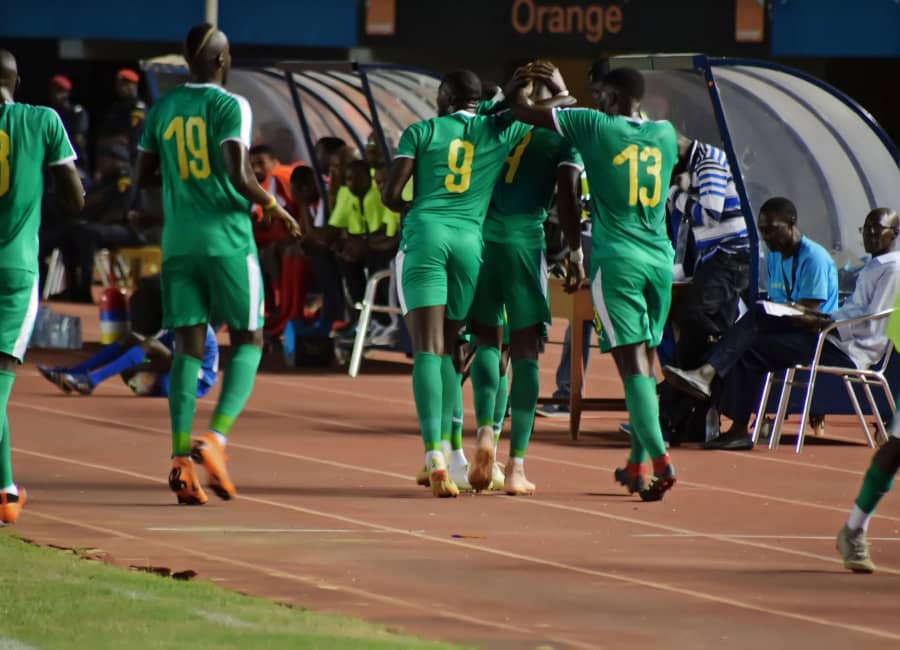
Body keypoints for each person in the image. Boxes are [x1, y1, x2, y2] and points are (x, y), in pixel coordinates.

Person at [135, 23, 300, 506]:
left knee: (188, 347)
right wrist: (273, 207)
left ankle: (179, 459)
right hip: (228, 239)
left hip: (179, 241)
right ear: (222, 61)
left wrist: (178, 189)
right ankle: (217, 439)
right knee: (249, 339)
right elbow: (236, 169)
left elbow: (142, 173)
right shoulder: (232, 106)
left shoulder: (163, 107)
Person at [510, 64, 679, 501]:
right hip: (659, 260)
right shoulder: (664, 134)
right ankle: (638, 464)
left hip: (617, 261)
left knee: (632, 368)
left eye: (601, 93)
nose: (596, 99)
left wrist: (556, 92)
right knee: (646, 357)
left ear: (611, 96)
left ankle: (660, 458)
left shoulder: (593, 124)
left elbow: (522, 110)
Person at [381, 69, 541, 498]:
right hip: (471, 243)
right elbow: (524, 110)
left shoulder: (421, 131)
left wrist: (419, 206)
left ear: (445, 96)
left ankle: (436, 454)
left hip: (426, 237)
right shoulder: (498, 131)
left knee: (429, 351)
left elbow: (391, 195)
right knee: (456, 346)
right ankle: (462, 451)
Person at [466, 66, 584, 494]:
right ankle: (515, 467)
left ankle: (483, 434)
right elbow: (568, 196)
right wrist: (574, 251)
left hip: (482, 241)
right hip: (524, 244)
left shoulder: (495, 121)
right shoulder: (563, 134)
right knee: (526, 353)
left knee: (485, 342)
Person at [663, 197, 839, 450]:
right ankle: (715, 427)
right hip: (786, 332)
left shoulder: (814, 258)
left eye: (771, 229)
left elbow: (808, 314)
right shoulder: (777, 256)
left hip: (814, 337)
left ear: (791, 223)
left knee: (750, 328)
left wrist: (774, 311)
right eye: (762, 230)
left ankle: (706, 381)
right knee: (730, 348)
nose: (766, 237)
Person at [0, 49, 85, 524]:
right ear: (18, 79)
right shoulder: (43, 121)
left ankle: (6, 491)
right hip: (15, 268)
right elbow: (74, 198)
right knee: (1, 378)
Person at [657, 134, 751, 443]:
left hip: (730, 253)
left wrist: (675, 195)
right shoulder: (697, 164)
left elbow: (710, 213)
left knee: (692, 316)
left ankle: (671, 412)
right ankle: (685, 420)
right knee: (696, 338)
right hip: (719, 256)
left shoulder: (708, 160)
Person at [39, 275, 219, 398]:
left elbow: (179, 364)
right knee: (131, 338)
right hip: (175, 371)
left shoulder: (198, 327)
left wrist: (138, 367)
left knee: (150, 354)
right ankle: (75, 372)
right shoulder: (174, 322)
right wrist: (134, 364)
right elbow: (157, 346)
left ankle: (92, 380)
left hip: (197, 380)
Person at [59, 142, 142, 302]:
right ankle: (72, 288)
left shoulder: (125, 179)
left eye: (104, 159)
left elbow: (120, 211)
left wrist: (91, 221)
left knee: (88, 233)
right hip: (106, 227)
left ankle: (84, 289)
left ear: (115, 160)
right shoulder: (107, 180)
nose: (101, 163)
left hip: (130, 229)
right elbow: (88, 203)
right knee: (69, 232)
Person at [99, 68, 146, 160]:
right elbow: (106, 130)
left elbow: (133, 135)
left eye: (124, 85)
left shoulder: (138, 107)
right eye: (119, 84)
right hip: (116, 155)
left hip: (134, 155)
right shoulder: (117, 107)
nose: (120, 88)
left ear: (133, 86)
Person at [48, 74, 89, 174]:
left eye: (59, 91)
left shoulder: (77, 112)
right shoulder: (50, 113)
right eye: (53, 90)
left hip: (74, 162)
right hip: (53, 162)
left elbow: (78, 138)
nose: (56, 95)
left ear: (67, 93)